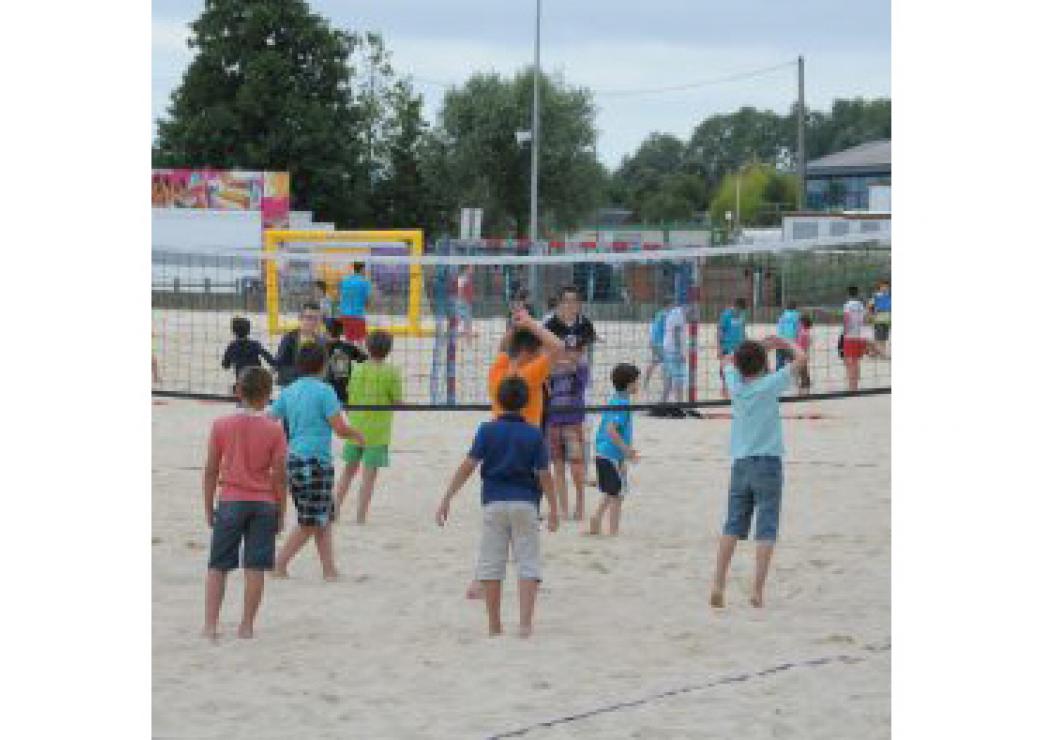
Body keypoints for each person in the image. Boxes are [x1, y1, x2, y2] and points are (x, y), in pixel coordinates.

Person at [436, 377, 559, 638]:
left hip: (494, 503)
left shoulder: (487, 430)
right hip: (526, 503)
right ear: (527, 403)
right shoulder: (534, 433)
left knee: (492, 564)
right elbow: (544, 474)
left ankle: (495, 625)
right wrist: (554, 507)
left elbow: (469, 465)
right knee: (527, 562)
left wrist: (448, 496)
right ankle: (525, 624)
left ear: (498, 401)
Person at [710, 337, 806, 609]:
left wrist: (755, 350)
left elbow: (727, 360)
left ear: (739, 366)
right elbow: (801, 358)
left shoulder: (735, 385)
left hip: (740, 464)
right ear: (765, 365)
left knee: (732, 525)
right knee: (766, 528)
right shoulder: (769, 385)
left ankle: (718, 583)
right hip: (768, 464)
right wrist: (782, 342)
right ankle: (756, 590)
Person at [202, 367, 287, 640]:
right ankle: (246, 626)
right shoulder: (274, 430)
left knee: (218, 567)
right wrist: (281, 512)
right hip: (263, 503)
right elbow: (280, 477)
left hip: (231, 500)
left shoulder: (221, 425)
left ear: (238, 391)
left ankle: (210, 625)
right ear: (268, 396)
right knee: (255, 568)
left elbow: (211, 470)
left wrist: (207, 506)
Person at [270, 344, 364, 580]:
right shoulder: (325, 391)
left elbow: (269, 418)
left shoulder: (289, 391)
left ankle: (329, 570)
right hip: (314, 463)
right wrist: (357, 435)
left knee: (324, 518)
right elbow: (340, 428)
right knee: (310, 521)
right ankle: (279, 565)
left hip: (295, 460)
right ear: (324, 366)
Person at [335, 330, 402, 524]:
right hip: (377, 432)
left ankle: (335, 510)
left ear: (367, 347)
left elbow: (349, 395)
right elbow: (398, 401)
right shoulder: (392, 372)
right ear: (389, 350)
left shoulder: (357, 369)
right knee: (368, 478)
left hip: (355, 429)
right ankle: (360, 518)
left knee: (348, 472)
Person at [488, 308, 565, 428]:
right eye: (538, 353)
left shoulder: (496, 371)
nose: (540, 356)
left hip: (499, 439)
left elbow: (503, 348)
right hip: (527, 440)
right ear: (527, 352)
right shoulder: (529, 375)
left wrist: (514, 327)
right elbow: (559, 347)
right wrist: (529, 323)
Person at [589, 363, 641, 536]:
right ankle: (613, 531)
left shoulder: (616, 399)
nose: (638, 385)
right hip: (609, 454)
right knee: (618, 495)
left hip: (607, 454)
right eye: (636, 381)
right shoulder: (622, 404)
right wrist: (627, 450)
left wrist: (623, 457)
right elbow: (611, 430)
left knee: (613, 490)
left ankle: (596, 518)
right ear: (629, 384)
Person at [545, 338, 590, 521]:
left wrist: (558, 360)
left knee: (576, 466)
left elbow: (574, 369)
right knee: (558, 466)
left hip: (573, 420)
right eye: (567, 349)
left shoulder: (581, 366)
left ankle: (579, 506)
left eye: (574, 350)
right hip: (554, 420)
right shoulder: (552, 366)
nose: (570, 352)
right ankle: (563, 508)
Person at [274, 303, 326, 388]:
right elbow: (279, 365)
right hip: (292, 387)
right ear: (300, 318)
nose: (313, 322)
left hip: (315, 388)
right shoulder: (289, 339)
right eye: (309, 318)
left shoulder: (321, 342)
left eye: (317, 319)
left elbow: (324, 368)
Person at [222, 317, 277, 393]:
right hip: (256, 382)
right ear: (249, 331)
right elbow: (270, 360)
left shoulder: (232, 346)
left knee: (237, 393)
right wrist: (276, 366)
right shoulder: (255, 344)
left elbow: (225, 366)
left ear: (233, 331)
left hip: (242, 383)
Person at [324, 320, 367, 406]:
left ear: (327, 333)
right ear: (341, 333)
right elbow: (364, 358)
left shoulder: (321, 347)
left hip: (326, 390)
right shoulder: (348, 347)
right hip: (344, 390)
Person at [718, 298, 748, 398]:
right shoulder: (726, 315)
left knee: (740, 367)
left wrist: (745, 342)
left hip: (739, 347)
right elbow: (720, 331)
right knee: (725, 368)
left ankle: (739, 389)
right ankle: (724, 388)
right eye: (739, 310)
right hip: (727, 346)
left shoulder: (742, 315)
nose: (740, 312)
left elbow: (743, 329)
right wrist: (719, 348)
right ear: (735, 306)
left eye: (742, 311)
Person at [842, 286, 870, 391]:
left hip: (850, 335)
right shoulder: (861, 305)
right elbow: (866, 318)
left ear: (848, 294)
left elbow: (846, 318)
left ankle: (852, 387)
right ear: (857, 294)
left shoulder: (847, 305)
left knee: (849, 360)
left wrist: (844, 331)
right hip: (860, 335)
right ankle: (855, 385)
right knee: (856, 361)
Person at [339, 262, 374, 342]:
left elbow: (341, 297)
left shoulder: (345, 281)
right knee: (360, 341)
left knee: (348, 340)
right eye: (365, 269)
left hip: (345, 315)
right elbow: (368, 301)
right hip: (358, 315)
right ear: (362, 269)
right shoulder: (365, 282)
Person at [661, 302, 688, 403]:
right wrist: (679, 352)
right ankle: (680, 405)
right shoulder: (678, 314)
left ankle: (662, 404)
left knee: (669, 380)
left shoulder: (674, 313)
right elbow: (676, 333)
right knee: (678, 380)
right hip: (674, 352)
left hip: (668, 350)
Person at [643, 307, 668, 392]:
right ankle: (666, 384)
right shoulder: (664, 315)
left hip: (654, 343)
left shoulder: (658, 316)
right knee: (666, 362)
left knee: (654, 363)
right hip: (659, 344)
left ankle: (646, 383)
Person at [775, 302, 801, 370]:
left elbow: (779, 328)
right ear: (795, 308)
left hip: (781, 340)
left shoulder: (782, 316)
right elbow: (798, 329)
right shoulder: (797, 316)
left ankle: (778, 375)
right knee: (792, 361)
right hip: (792, 341)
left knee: (780, 362)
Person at [869, 280, 891, 358]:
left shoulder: (889, 296)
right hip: (878, 319)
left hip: (887, 320)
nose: (885, 288)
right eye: (883, 286)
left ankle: (873, 350)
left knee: (884, 338)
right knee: (879, 337)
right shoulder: (876, 296)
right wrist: (871, 315)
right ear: (880, 287)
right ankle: (883, 354)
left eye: (887, 286)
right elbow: (870, 307)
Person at [455, 265, 476, 339]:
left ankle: (467, 336)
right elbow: (460, 290)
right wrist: (461, 300)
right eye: (471, 268)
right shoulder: (463, 278)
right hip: (463, 302)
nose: (473, 270)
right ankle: (466, 336)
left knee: (466, 321)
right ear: (466, 269)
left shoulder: (468, 278)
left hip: (466, 301)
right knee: (462, 320)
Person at [796, 315, 812, 395]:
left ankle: (804, 385)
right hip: (804, 353)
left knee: (802, 370)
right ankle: (806, 384)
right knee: (804, 369)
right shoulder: (806, 332)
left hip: (801, 353)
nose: (798, 324)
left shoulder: (803, 333)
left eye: (799, 322)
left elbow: (800, 344)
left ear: (802, 323)